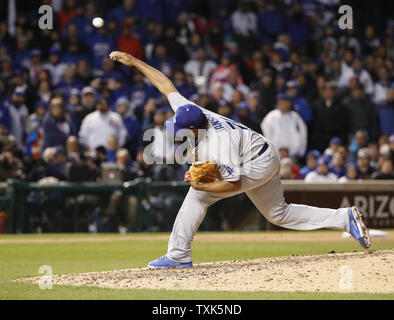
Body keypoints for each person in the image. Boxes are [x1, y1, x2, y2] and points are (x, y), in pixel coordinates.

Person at [109, 50, 371, 269]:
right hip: (262, 151)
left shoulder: (218, 144)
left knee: (198, 196)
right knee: (278, 213)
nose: (179, 136)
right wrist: (134, 62)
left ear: (195, 130)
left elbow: (233, 184)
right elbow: (165, 85)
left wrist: (204, 187)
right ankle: (344, 218)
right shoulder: (192, 111)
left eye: (183, 133)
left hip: (255, 163)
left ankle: (178, 255)